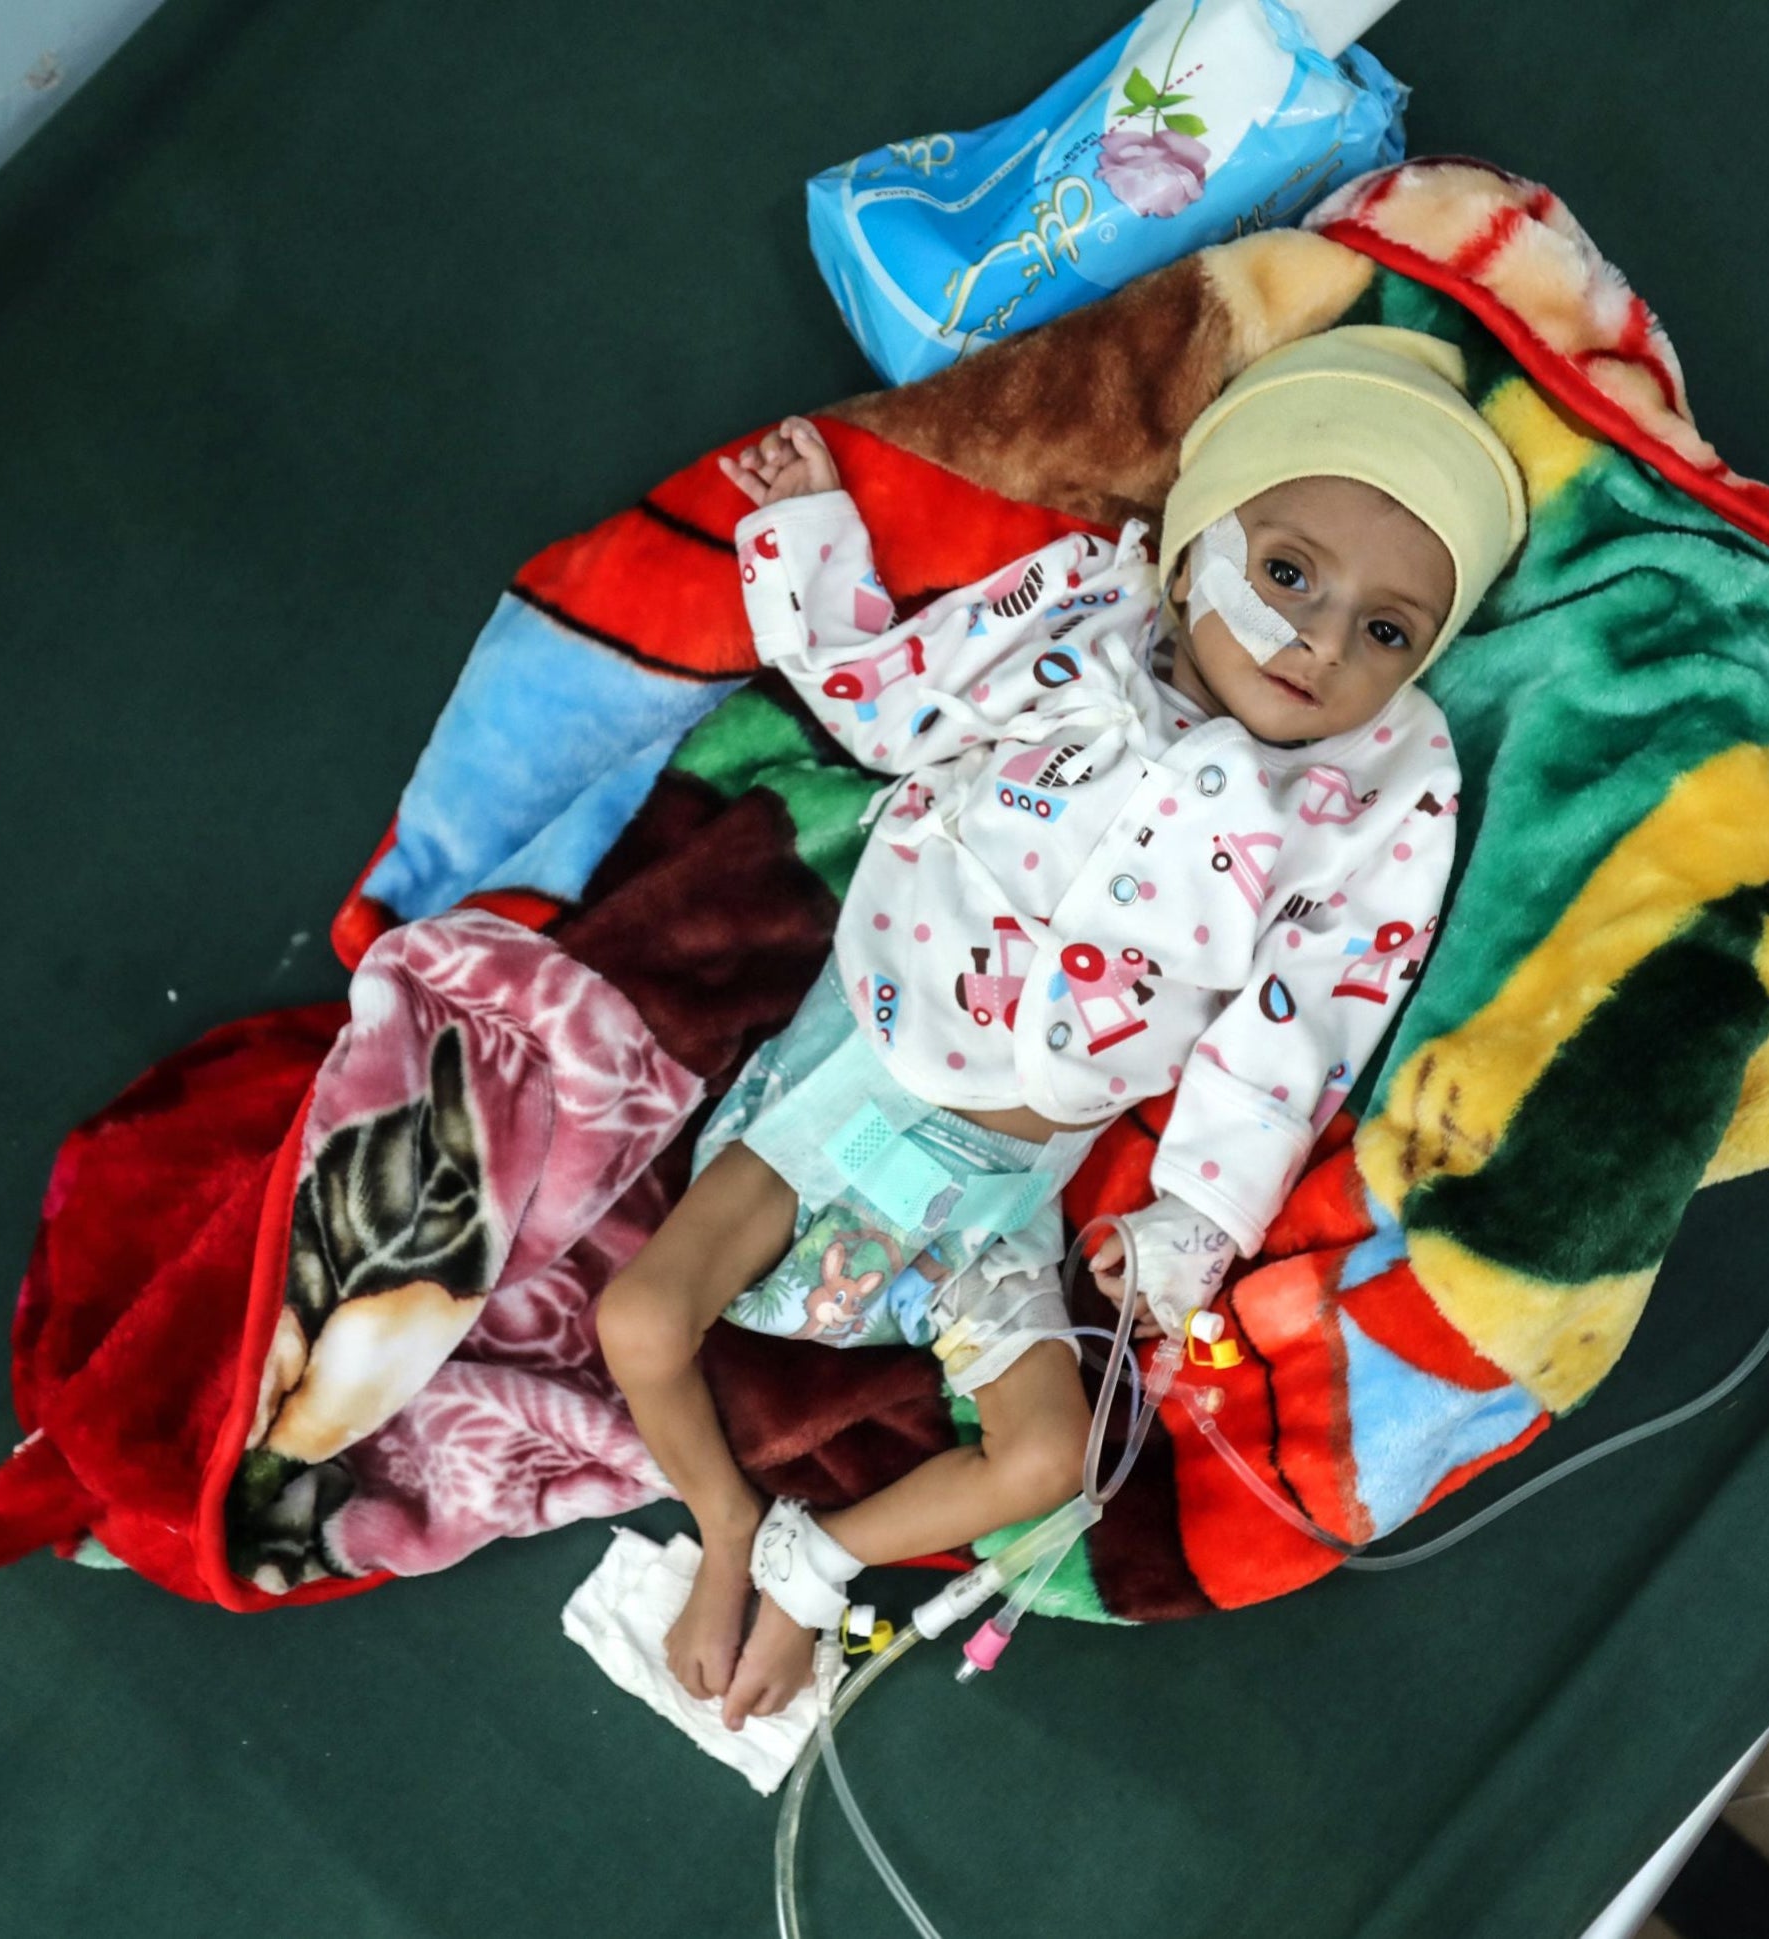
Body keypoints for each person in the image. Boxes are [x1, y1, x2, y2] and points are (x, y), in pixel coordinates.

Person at [593, 325, 1526, 1728]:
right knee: (641, 1318)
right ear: (1203, 537)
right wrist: (804, 545)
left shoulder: (1358, 806)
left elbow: (1303, 1029)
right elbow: (896, 698)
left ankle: (811, 1564)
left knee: (1055, 1470)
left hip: (1002, 1204)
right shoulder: (1082, 631)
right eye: (1288, 575)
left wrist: (1193, 1220)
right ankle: (730, 1523)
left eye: (1388, 632)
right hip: (857, 1094)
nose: (1320, 644)